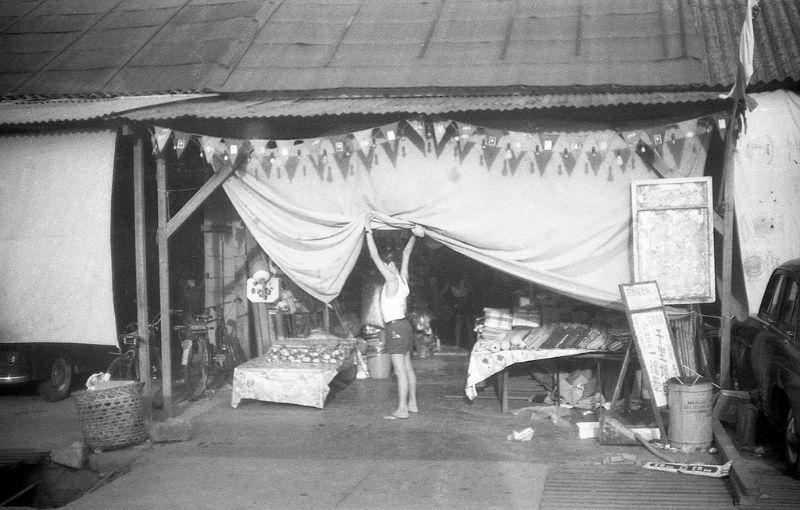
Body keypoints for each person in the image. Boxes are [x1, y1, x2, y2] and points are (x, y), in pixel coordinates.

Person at [365, 219, 423, 420]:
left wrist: (368, 231)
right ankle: (412, 404)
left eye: (389, 264)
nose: (389, 263)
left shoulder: (391, 280)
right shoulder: (403, 280)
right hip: (404, 326)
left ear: (392, 270)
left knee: (400, 371)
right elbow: (406, 253)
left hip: (395, 328)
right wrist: (414, 235)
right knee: (407, 368)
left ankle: (402, 409)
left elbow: (373, 256)